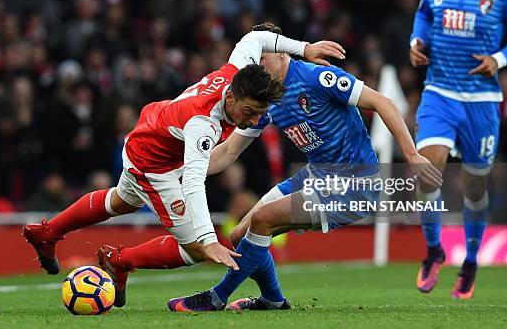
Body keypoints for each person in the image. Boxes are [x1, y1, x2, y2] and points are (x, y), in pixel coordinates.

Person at [23, 24, 345, 308]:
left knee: (121, 201)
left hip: (152, 132)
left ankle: (49, 232)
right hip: (155, 164)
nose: (255, 120)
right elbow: (193, 182)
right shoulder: (203, 125)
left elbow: (255, 37)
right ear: (230, 99)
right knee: (193, 249)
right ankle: (119, 260)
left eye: (260, 114)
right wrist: (208, 241)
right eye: (250, 111)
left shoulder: (239, 71)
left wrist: (305, 49)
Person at [167, 23, 442, 312]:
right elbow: (229, 151)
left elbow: (382, 102)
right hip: (316, 176)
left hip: (354, 182)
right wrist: (184, 169)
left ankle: (216, 297)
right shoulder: (267, 100)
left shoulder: (317, 78)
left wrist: (411, 155)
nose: (258, 66)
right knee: (239, 235)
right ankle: (272, 299)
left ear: (283, 53)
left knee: (263, 219)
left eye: (263, 58)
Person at [408, 0, 507, 299]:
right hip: (439, 94)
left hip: (481, 104)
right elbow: (423, 18)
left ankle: (472, 260)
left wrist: (499, 58)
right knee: (426, 173)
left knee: (476, 187)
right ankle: (433, 250)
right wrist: (416, 41)